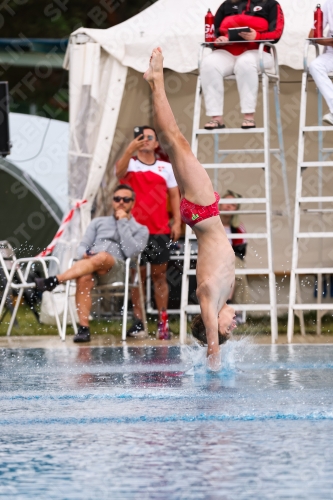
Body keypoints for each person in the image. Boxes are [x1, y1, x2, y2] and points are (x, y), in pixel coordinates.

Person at [143, 47, 237, 371]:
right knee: (172, 143)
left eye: (229, 328)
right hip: (201, 214)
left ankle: (155, 81)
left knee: (174, 140)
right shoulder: (221, 297)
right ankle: (154, 83)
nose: (233, 324)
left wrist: (214, 368)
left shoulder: (209, 303)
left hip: (203, 211)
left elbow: (212, 347)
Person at [34, 185, 149, 343]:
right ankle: (83, 328)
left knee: (102, 256)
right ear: (112, 201)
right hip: (92, 265)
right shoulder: (98, 222)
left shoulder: (141, 229)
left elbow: (131, 252)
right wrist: (84, 253)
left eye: (126, 199)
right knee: (83, 278)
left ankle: (56, 279)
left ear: (133, 203)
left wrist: (123, 222)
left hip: (118, 268)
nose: (121, 202)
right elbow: (82, 245)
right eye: (117, 199)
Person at [116, 125, 181, 337]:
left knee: (160, 276)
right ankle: (139, 321)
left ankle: (163, 322)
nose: (145, 141)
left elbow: (174, 196)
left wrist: (177, 222)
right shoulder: (131, 165)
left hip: (160, 229)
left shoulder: (166, 167)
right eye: (140, 138)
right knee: (138, 276)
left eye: (149, 137)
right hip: (136, 231)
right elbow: (118, 173)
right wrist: (129, 149)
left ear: (156, 143)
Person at [201, 0, 284, 130]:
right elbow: (212, 32)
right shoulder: (226, 5)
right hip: (227, 51)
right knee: (208, 63)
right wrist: (218, 41)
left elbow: (277, 34)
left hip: (258, 52)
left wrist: (257, 36)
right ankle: (216, 118)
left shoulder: (271, 4)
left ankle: (248, 116)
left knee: (245, 63)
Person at [220, 190, 249, 324]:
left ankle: (234, 310)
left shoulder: (239, 228)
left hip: (232, 259)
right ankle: (227, 306)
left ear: (236, 209)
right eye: (227, 203)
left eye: (232, 205)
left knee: (237, 270)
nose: (228, 206)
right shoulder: (211, 222)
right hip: (213, 257)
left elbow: (240, 251)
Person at [309, 0, 333, 125]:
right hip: (331, 53)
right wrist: (329, 41)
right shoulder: (329, 4)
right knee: (315, 66)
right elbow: (313, 34)